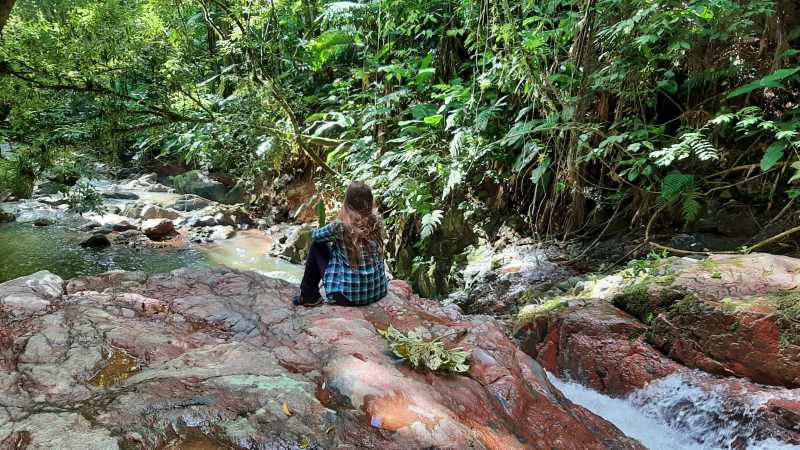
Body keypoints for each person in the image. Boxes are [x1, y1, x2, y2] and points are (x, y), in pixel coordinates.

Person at [293, 181, 388, 306]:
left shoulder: (340, 226)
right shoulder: (377, 221)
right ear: (370, 202)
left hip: (347, 297)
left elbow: (315, 236)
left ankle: (309, 295)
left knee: (318, 245)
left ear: (347, 203)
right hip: (377, 292)